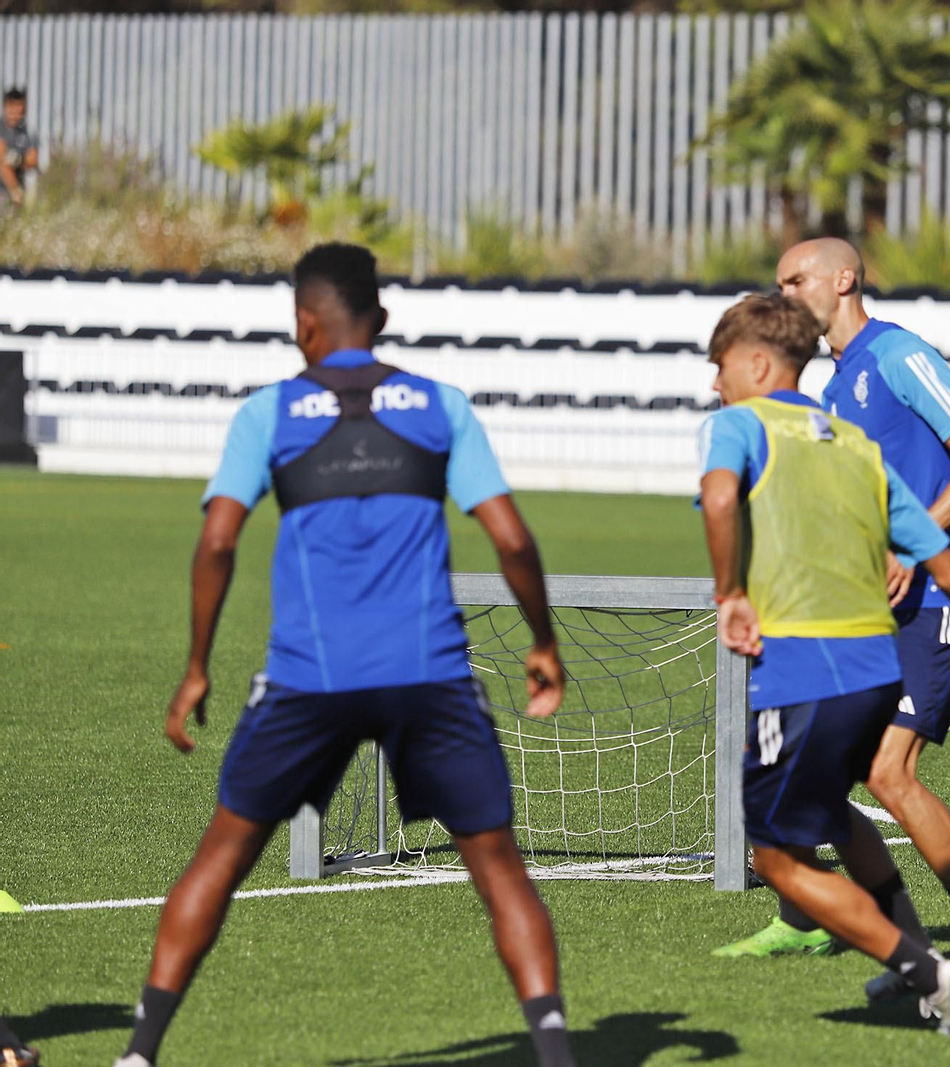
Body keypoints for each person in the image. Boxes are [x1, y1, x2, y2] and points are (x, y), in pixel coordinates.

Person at [111, 244, 576, 1067]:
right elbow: (510, 536)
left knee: (221, 856)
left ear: (303, 324)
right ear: (382, 319)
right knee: (500, 869)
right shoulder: (440, 405)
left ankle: (140, 1054)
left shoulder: (268, 412)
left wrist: (196, 667)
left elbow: (218, 540)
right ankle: (555, 1053)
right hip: (430, 675)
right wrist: (543, 642)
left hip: (307, 679)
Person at [712, 238, 950, 985]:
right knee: (831, 762)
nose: (784, 289)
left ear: (844, 278)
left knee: (888, 772)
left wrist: (915, 552)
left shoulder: (898, 355)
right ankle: (806, 917)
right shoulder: (833, 384)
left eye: (797, 277)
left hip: (933, 599)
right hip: (869, 607)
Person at [0, 88, 37, 209]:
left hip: (18, 192)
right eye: (12, 111)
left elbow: (32, 160)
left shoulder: (25, 131)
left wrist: (18, 160)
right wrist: (15, 191)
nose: (15, 116)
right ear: (5, 108)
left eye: (19, 112)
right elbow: (2, 163)